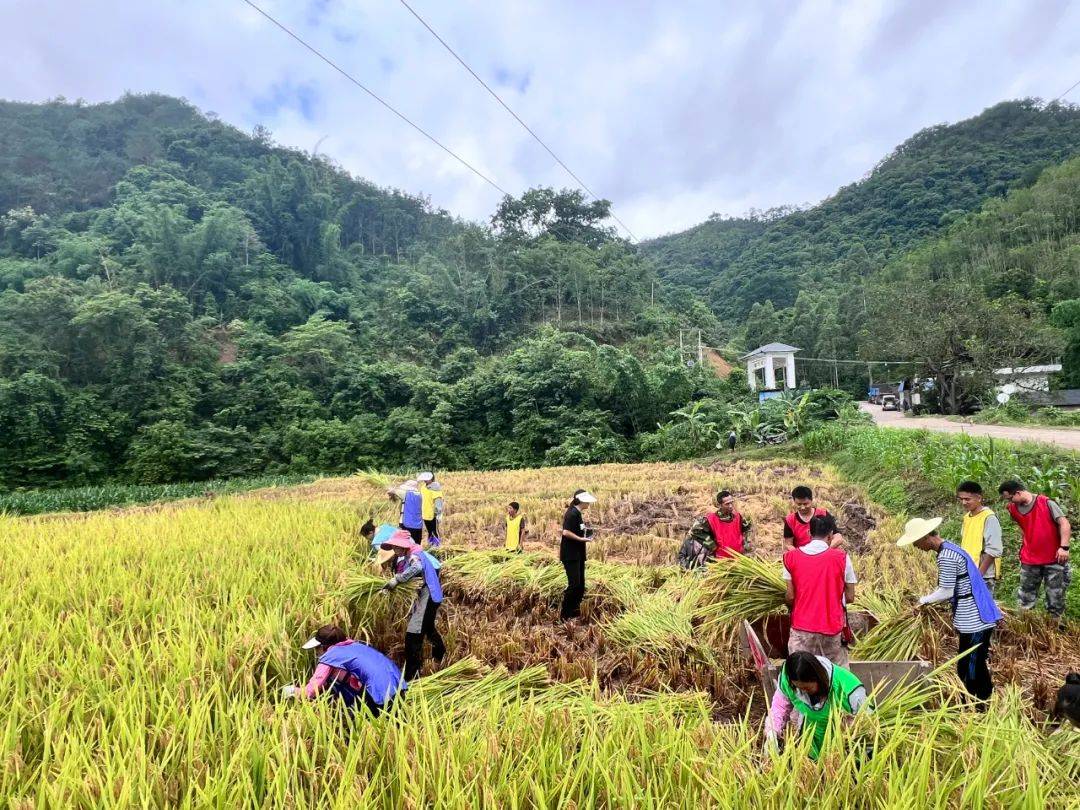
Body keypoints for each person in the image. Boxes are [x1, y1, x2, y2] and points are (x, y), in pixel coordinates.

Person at [898, 517, 1002, 707]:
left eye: (916, 541)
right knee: (976, 662)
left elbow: (946, 591)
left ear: (926, 537)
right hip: (974, 615)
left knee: (968, 666)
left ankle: (974, 705)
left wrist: (923, 600)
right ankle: (985, 699)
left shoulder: (947, 556)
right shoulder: (950, 549)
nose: (915, 546)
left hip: (974, 619)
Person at [281, 624, 405, 716]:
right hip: (399, 686)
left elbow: (310, 692)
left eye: (317, 648)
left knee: (360, 729)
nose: (316, 652)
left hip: (379, 695)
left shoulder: (329, 658)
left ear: (323, 647)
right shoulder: (357, 646)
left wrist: (291, 690)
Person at [766, 651, 870, 760]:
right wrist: (773, 731)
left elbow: (867, 724)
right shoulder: (788, 679)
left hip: (842, 742)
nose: (803, 692)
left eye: (807, 688)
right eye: (798, 688)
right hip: (811, 737)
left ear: (818, 678)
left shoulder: (849, 689)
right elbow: (780, 706)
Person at [783, 515, 857, 666]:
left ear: (809, 534)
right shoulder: (842, 558)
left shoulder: (790, 557)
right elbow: (850, 597)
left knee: (801, 672)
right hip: (831, 629)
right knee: (835, 674)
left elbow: (790, 597)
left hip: (802, 628)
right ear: (830, 535)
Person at [999, 480, 1072, 622]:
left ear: (1018, 493)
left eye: (1010, 498)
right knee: (1025, 599)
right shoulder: (1012, 509)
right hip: (1030, 559)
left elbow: (1064, 523)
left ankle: (1055, 631)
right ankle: (1025, 628)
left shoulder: (1046, 503)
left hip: (1054, 558)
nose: (1010, 502)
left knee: (1055, 599)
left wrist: (1064, 547)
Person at [378, 531, 446, 680]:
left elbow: (416, 568)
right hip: (430, 595)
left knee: (413, 635)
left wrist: (397, 580)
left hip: (429, 595)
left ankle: (412, 674)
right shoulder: (409, 554)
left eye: (397, 546)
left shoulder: (414, 554)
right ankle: (440, 654)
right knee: (428, 628)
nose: (395, 549)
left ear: (403, 546)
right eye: (393, 546)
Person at [679, 490, 753, 569]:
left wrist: (746, 544)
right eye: (727, 504)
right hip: (720, 561)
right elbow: (695, 531)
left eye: (732, 502)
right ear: (719, 505)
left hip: (739, 558)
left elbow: (747, 529)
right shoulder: (711, 519)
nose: (731, 506)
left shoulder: (738, 516)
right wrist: (711, 544)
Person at [956, 481, 1002, 593]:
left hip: (983, 575)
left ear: (979, 498)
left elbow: (994, 550)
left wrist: (978, 575)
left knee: (982, 607)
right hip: (969, 571)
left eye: (967, 499)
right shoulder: (967, 517)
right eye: (961, 499)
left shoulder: (989, 518)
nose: (964, 502)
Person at [560, 489, 597, 622]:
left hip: (578, 554)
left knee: (581, 584)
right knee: (574, 584)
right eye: (587, 501)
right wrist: (581, 539)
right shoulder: (572, 514)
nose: (589, 503)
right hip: (570, 555)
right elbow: (565, 532)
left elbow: (577, 529)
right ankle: (564, 614)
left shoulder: (578, 513)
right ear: (581, 500)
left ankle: (574, 610)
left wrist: (586, 532)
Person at [418, 472, 444, 546]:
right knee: (429, 531)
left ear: (431, 479)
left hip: (433, 514)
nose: (425, 480)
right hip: (425, 513)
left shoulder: (435, 489)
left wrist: (439, 513)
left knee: (434, 531)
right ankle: (430, 545)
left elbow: (438, 502)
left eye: (427, 479)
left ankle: (437, 546)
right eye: (424, 479)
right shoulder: (423, 488)